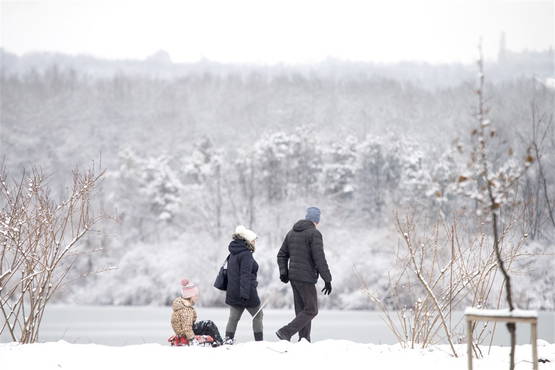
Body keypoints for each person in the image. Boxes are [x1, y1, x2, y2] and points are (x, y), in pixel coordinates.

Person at [276, 207, 332, 342]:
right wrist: (327, 279)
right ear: (317, 220)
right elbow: (319, 258)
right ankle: (285, 331)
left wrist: (284, 272)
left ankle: (304, 340)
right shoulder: (314, 234)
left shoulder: (291, 233)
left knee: (302, 310)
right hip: (306, 278)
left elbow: (281, 254)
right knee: (312, 310)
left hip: (294, 278)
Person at [224, 225, 264, 344]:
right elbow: (245, 275)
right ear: (248, 241)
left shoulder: (233, 253)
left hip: (233, 291)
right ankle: (259, 343)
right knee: (258, 315)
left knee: (233, 318)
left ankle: (228, 342)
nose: (255, 242)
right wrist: (246, 295)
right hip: (246, 292)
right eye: (253, 240)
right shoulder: (246, 254)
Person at [170, 279, 224, 346]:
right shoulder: (186, 309)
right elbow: (187, 327)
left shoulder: (182, 306)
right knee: (208, 324)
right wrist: (192, 339)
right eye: (195, 295)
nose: (197, 297)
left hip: (183, 332)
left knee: (204, 327)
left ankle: (214, 341)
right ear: (189, 296)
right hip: (185, 334)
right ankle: (219, 342)